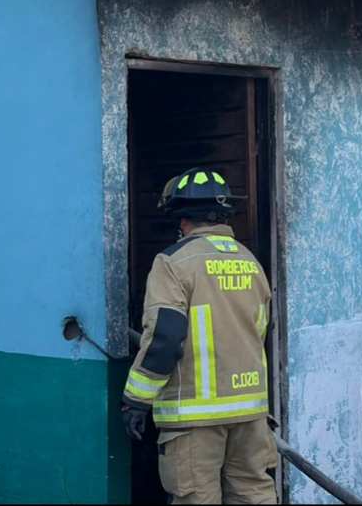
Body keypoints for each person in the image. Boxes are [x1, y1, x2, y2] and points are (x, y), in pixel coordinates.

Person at [122, 167, 276, 505]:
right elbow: (259, 331)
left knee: (195, 498)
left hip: (195, 416)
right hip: (250, 411)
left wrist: (136, 400)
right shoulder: (252, 263)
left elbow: (164, 338)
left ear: (181, 219)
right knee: (253, 493)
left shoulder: (174, 262)